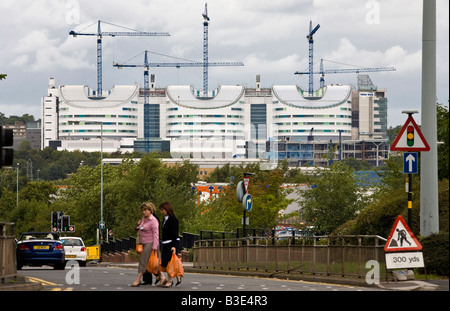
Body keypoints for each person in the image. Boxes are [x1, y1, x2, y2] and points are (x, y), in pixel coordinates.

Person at [131, 202, 160, 287]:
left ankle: (138, 279)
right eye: (142, 210)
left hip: (150, 243)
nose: (144, 212)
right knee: (152, 263)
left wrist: (155, 246)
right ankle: (162, 278)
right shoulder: (144, 218)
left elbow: (156, 234)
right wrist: (139, 227)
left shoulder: (153, 220)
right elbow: (142, 227)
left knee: (143, 261)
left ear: (150, 210)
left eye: (145, 210)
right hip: (143, 242)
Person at [158, 201, 181, 287]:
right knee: (166, 262)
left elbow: (175, 234)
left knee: (169, 263)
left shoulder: (173, 220)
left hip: (171, 243)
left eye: (162, 210)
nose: (161, 212)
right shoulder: (164, 219)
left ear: (167, 209)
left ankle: (170, 281)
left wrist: (174, 246)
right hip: (165, 243)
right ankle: (177, 276)